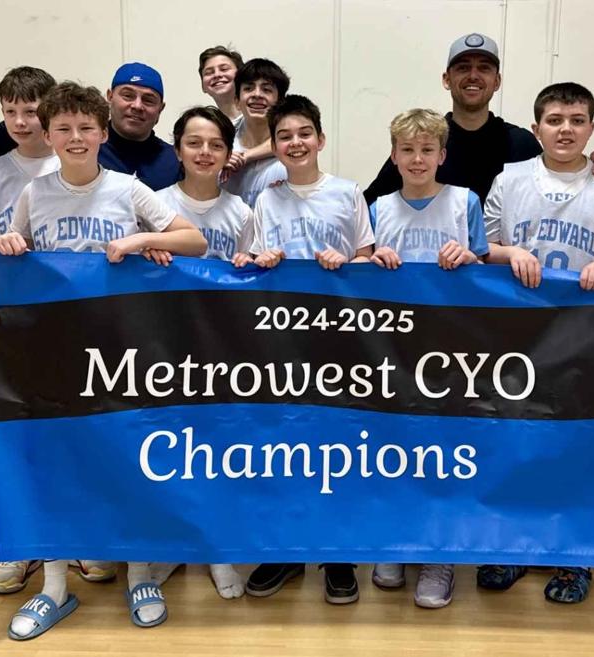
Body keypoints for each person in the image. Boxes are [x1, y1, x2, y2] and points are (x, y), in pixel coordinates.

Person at [0, 81, 207, 639]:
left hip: (121, 350)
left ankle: (140, 574)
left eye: (86, 127)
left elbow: (194, 240)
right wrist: (9, 245)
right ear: (48, 135)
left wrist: (138, 242)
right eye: (63, 128)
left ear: (103, 133)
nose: (76, 137)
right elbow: (14, 250)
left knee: (128, 457)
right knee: (57, 462)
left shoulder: (128, 190)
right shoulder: (35, 192)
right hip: (57, 353)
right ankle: (54, 587)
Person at [483, 81, 594, 602]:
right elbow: (482, 246)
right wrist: (510, 252)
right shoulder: (511, 178)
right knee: (518, 440)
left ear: (591, 128)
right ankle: (515, 546)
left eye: (577, 120)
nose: (566, 129)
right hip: (521, 333)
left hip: (590, 333)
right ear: (536, 128)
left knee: (579, 444)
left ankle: (575, 553)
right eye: (555, 120)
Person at [245, 94, 374, 605]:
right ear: (274, 145)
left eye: (304, 133)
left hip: (338, 342)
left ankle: (337, 554)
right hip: (281, 343)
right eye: (284, 136)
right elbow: (250, 263)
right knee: (283, 446)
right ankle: (286, 550)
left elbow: (368, 259)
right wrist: (261, 260)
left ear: (320, 139)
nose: (295, 143)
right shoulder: (266, 198)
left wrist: (347, 262)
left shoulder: (347, 193)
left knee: (335, 448)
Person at [368, 108, 487, 608]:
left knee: (445, 451)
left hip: (452, 349)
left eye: (426, 150)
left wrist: (471, 259)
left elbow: (486, 270)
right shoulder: (377, 208)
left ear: (442, 155)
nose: (417, 159)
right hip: (394, 352)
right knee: (396, 447)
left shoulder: (465, 201)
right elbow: (360, 268)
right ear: (394, 156)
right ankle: (397, 539)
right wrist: (370, 259)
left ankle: (441, 554)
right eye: (407, 150)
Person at [0, 66, 59, 595]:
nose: (21, 122)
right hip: (11, 322)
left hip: (66, 322)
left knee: (67, 433)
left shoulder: (73, 161)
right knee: (15, 434)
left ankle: (71, 539)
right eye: (11, 112)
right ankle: (21, 545)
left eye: (31, 111)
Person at [364, 33, 594, 211]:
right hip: (435, 270)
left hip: (506, 270)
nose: (473, 75)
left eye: (484, 68)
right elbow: (368, 211)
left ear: (497, 81)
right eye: (463, 67)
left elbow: (565, 174)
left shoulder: (521, 144)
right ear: (446, 79)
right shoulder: (425, 143)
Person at [157, 106, 254, 267]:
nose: (205, 152)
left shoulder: (242, 213)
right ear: (178, 151)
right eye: (194, 143)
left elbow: (247, 274)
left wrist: (246, 262)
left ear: (228, 155)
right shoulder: (156, 204)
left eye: (216, 145)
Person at [99, 62, 181, 191]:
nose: (137, 106)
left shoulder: (175, 162)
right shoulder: (87, 151)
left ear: (160, 109)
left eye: (148, 100)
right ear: (110, 97)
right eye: (128, 96)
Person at [220, 58, 289, 207]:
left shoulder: (293, 144)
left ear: (280, 102)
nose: (257, 95)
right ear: (237, 101)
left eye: (266, 89)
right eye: (248, 88)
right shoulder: (222, 142)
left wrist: (246, 156)